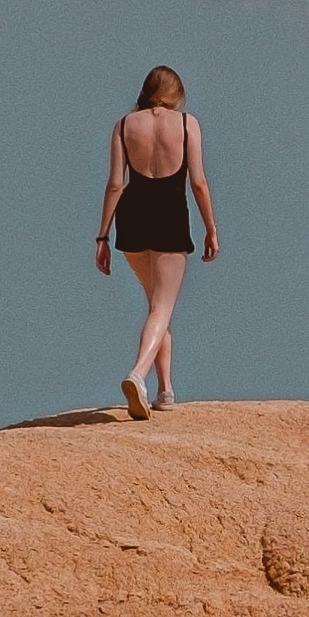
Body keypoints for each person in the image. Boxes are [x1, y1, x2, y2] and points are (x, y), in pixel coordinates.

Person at [94, 65, 218, 415]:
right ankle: (138, 374)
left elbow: (116, 183)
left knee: (157, 306)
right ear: (177, 93)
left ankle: (165, 391)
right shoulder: (186, 123)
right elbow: (198, 183)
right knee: (162, 307)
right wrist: (211, 228)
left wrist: (102, 236)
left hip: (131, 217)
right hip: (170, 217)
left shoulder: (123, 125)